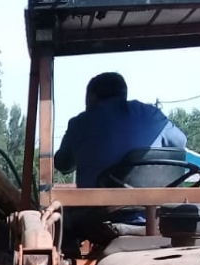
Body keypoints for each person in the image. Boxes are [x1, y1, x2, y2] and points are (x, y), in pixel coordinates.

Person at [55, 72, 188, 252]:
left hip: (102, 220)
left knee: (59, 218)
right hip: (158, 219)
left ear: (92, 97)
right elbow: (180, 142)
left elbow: (62, 165)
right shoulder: (151, 114)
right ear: (124, 94)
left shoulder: (81, 123)